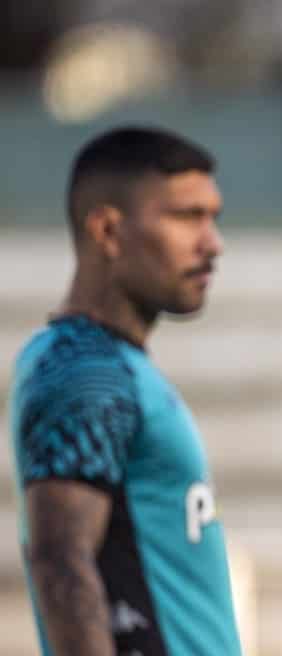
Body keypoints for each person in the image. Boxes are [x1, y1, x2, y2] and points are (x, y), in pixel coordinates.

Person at [8, 127, 241, 656]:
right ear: (109, 230)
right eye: (187, 217)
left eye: (213, 217)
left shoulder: (116, 365)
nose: (213, 243)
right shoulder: (85, 372)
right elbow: (60, 559)